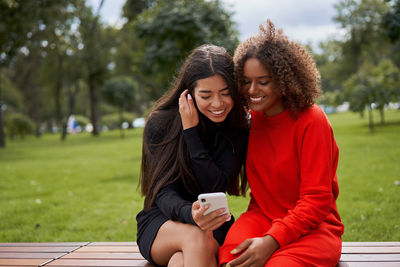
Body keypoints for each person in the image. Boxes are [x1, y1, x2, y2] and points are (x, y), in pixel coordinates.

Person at [219, 20, 344, 267]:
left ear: (284, 79)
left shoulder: (311, 120)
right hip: (261, 216)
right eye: (245, 81)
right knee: (230, 259)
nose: (251, 89)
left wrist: (272, 241)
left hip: (314, 228)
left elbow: (317, 200)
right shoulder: (252, 119)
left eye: (263, 81)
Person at [136, 44, 248, 267]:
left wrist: (192, 136)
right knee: (196, 236)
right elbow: (162, 191)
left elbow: (215, 185)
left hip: (214, 221)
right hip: (162, 222)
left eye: (225, 94)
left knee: (180, 261)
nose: (217, 104)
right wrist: (191, 214)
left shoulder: (237, 127)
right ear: (188, 93)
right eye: (206, 95)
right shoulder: (161, 123)